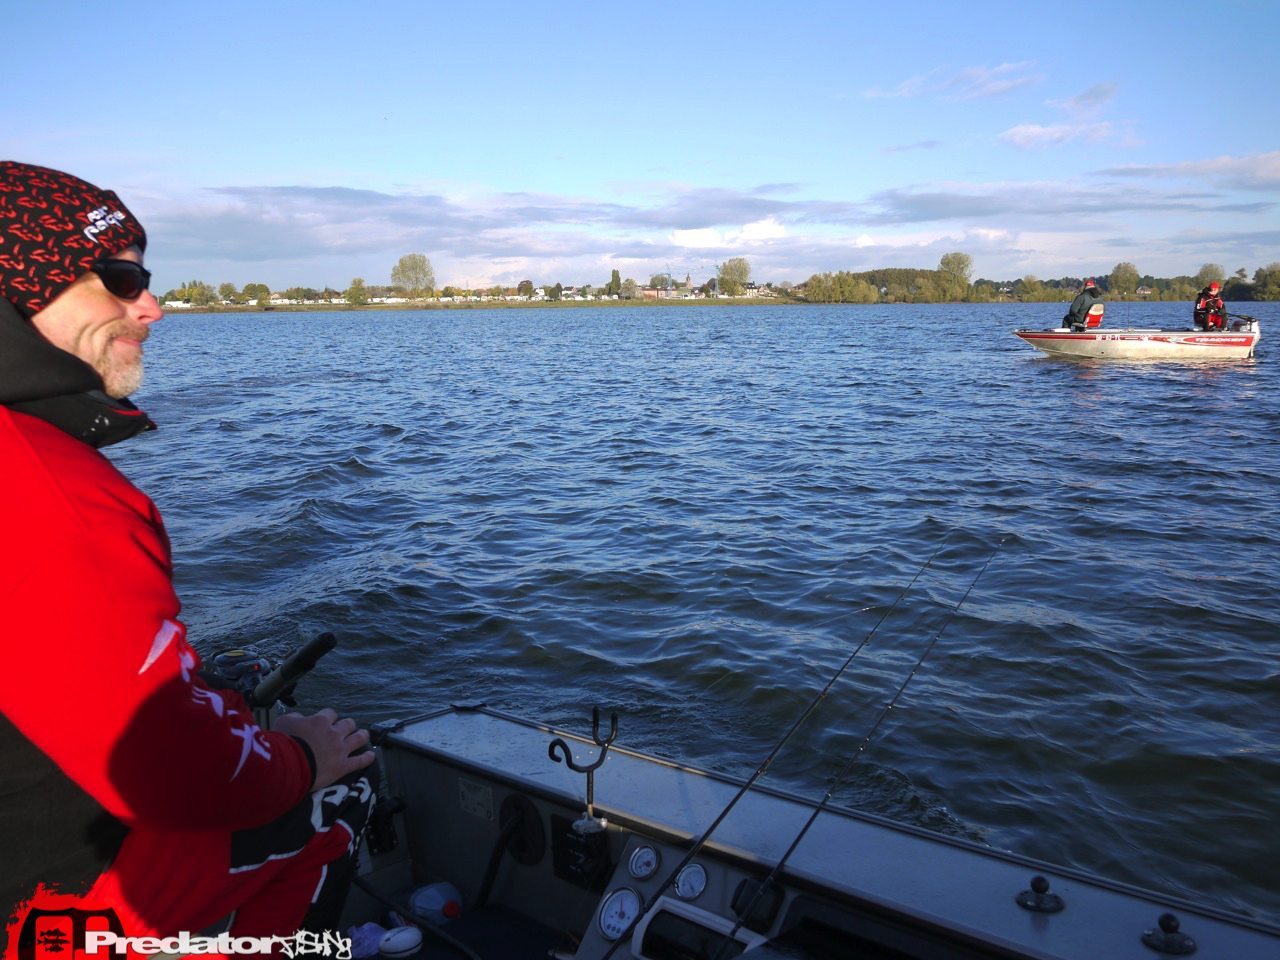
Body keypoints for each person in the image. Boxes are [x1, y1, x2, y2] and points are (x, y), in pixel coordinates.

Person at [0, 161, 376, 952]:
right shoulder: (49, 492)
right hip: (38, 906)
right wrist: (300, 757)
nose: (153, 306)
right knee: (335, 797)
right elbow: (176, 773)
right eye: (118, 277)